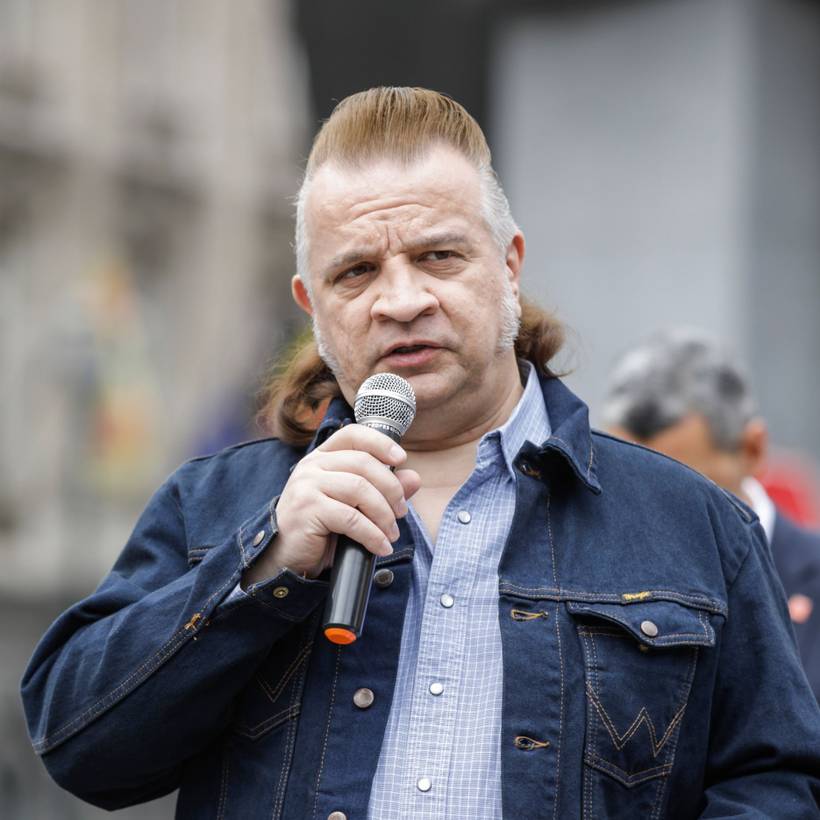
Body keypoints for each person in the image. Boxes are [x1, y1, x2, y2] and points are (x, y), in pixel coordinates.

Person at [22, 88, 820, 819]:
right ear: (313, 304)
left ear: (508, 264)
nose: (401, 301)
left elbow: (774, 780)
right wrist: (262, 569)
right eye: (357, 271)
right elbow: (80, 749)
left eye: (438, 256)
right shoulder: (216, 507)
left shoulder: (695, 525)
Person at [602, 326, 820, 702]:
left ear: (752, 450)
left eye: (683, 491)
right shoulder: (591, 579)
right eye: (624, 484)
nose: (647, 514)